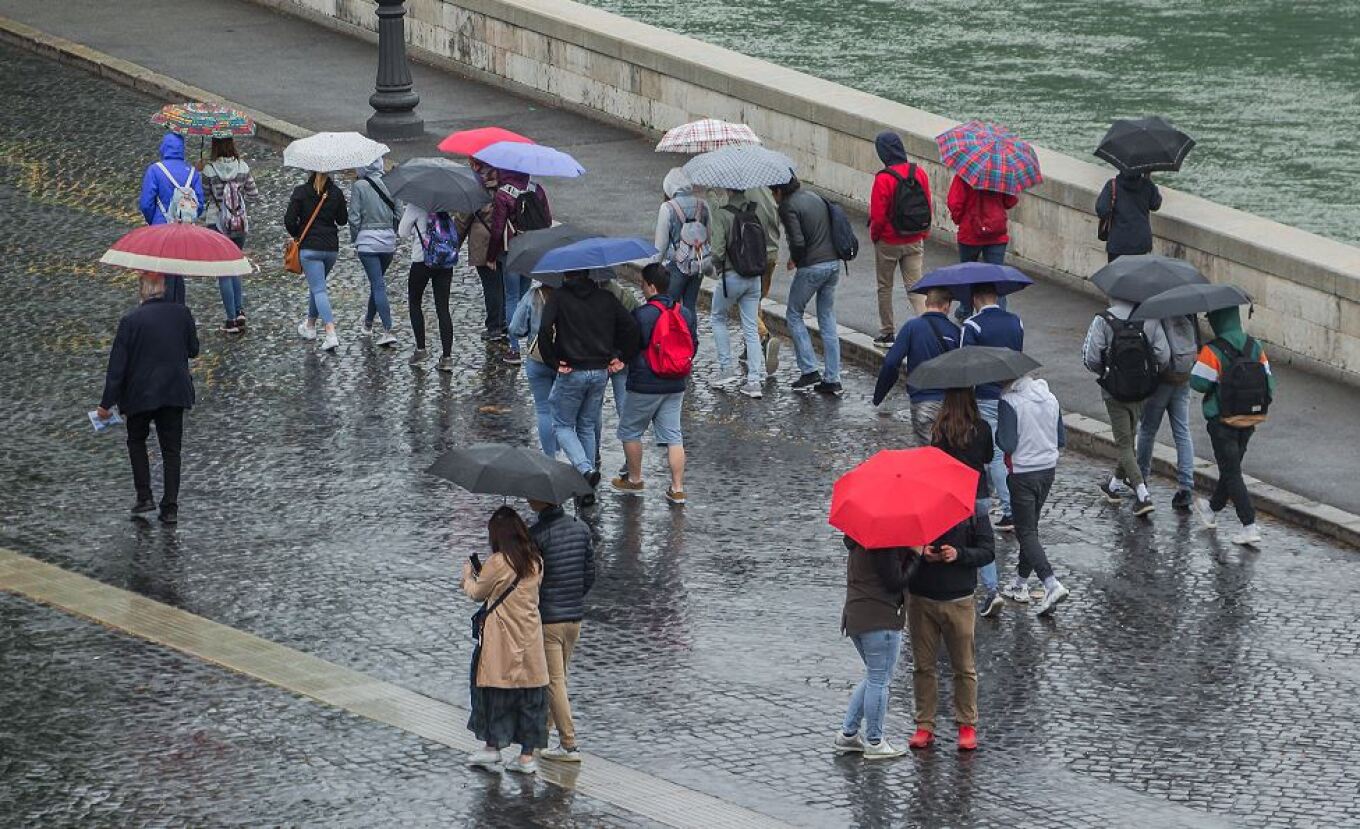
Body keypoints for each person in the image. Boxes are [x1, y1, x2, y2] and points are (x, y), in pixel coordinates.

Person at [96, 272, 199, 525]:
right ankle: (171, 507)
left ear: (142, 290)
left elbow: (117, 368)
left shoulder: (130, 320)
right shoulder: (181, 313)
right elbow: (194, 350)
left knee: (137, 441)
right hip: (174, 391)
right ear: (163, 288)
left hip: (139, 394)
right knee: (171, 450)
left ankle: (144, 496)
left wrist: (106, 404)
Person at [462, 506, 550, 775]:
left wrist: (467, 575)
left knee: (494, 690)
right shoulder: (536, 561)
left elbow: (478, 593)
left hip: (500, 639)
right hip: (530, 639)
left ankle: (492, 748)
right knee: (529, 694)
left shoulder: (498, 562)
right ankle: (526, 757)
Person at [537, 270, 640, 495]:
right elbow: (632, 326)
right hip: (599, 372)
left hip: (572, 370)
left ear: (565, 274)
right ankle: (587, 484)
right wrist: (621, 356)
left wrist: (554, 362)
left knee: (562, 424)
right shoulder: (606, 297)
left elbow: (544, 330)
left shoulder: (559, 297)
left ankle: (585, 469)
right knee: (586, 425)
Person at [906, 508, 994, 752]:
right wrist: (919, 552)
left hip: (960, 600)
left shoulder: (974, 511)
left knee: (964, 667)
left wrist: (959, 554)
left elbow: (987, 551)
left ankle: (967, 725)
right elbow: (899, 547)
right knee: (923, 666)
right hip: (921, 598)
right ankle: (924, 724)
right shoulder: (915, 510)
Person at [611, 264, 697, 504]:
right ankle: (677, 488)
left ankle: (635, 479)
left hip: (645, 384)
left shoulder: (642, 314)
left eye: (642, 283)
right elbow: (694, 346)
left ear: (650, 285)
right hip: (676, 383)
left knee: (630, 430)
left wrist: (620, 360)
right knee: (674, 436)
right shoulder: (685, 313)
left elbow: (631, 346)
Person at [1190, 306, 1275, 546]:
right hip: (1250, 418)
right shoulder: (1254, 346)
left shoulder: (1212, 350)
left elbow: (1198, 383)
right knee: (1232, 467)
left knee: (1232, 471)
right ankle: (1211, 509)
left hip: (1223, 420)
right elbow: (1270, 382)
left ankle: (1249, 525)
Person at [1081, 298, 1170, 516]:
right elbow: (1163, 355)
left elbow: (1091, 357)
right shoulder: (1150, 319)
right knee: (1129, 438)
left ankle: (1142, 493)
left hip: (1114, 391)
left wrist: (1107, 374)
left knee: (1124, 443)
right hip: (1141, 390)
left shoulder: (1103, 320)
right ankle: (1114, 486)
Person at [526, 498, 594, 762]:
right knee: (559, 678)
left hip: (549, 620)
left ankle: (569, 744)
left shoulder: (537, 535)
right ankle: (544, 732)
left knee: (554, 681)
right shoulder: (581, 529)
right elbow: (590, 574)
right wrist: (574, 597)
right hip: (574, 618)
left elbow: (531, 580)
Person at [995, 374, 1068, 615]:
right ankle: (1020, 584)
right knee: (1031, 528)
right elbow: (1061, 438)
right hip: (1047, 470)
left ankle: (1051, 583)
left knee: (1025, 531)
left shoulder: (1010, 402)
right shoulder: (1052, 398)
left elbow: (1006, 443)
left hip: (1022, 473)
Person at [836, 535, 912, 760]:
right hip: (880, 618)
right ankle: (874, 741)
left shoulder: (858, 535)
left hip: (856, 616)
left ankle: (848, 734)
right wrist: (915, 555)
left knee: (875, 677)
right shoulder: (884, 541)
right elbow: (895, 581)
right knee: (880, 681)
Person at [772, 175, 843, 396]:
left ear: (779, 190)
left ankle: (809, 369)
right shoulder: (814, 196)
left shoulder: (787, 206)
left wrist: (796, 258)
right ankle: (833, 378)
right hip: (833, 264)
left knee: (794, 313)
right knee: (827, 318)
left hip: (813, 267)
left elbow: (798, 241)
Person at [960, 283, 1023, 531]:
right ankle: (992, 502)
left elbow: (964, 365)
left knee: (994, 455)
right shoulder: (1016, 321)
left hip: (985, 395)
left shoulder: (972, 326)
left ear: (976, 298)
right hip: (1012, 393)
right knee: (1008, 452)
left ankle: (1009, 509)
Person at [928, 388, 996, 615]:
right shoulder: (983, 428)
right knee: (983, 540)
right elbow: (988, 457)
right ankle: (991, 589)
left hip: (950, 495)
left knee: (953, 541)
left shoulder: (940, 430)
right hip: (978, 491)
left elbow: (934, 462)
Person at [868, 130, 932, 348]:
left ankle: (887, 333)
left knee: (885, 286)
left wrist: (876, 237)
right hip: (915, 238)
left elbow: (877, 215)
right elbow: (928, 205)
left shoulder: (883, 178)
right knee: (916, 286)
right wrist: (924, 233)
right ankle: (928, 328)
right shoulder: (919, 172)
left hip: (888, 241)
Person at [873, 288, 959, 444]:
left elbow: (891, 362)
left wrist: (879, 395)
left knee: (926, 456)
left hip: (922, 402)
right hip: (950, 405)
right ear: (947, 306)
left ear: (926, 303)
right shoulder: (955, 332)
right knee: (948, 454)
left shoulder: (912, 327)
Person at [707, 188, 767, 399]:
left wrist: (716, 266)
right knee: (750, 327)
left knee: (718, 317)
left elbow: (718, 251)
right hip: (754, 277)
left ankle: (726, 369)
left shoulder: (723, 214)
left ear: (728, 189)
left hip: (731, 276)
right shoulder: (756, 211)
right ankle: (754, 381)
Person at [1136, 314, 1200, 511]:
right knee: (1182, 431)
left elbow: (1154, 350)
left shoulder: (1155, 313)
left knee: (1148, 429)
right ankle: (1186, 486)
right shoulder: (1187, 311)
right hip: (1183, 376)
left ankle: (1141, 480)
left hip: (1162, 380)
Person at [489, 167, 552, 364]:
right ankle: (532, 345)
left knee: (512, 297)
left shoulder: (503, 194)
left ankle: (513, 347)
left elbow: (498, 228)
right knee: (526, 296)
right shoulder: (537, 189)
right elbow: (547, 221)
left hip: (512, 250)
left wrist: (491, 256)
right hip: (532, 250)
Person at [138, 133, 205, 304]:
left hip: (160, 229)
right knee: (176, 270)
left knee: (160, 269)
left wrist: (153, 221)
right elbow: (200, 204)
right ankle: (178, 305)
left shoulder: (155, 170)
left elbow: (146, 203)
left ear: (164, 148)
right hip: (183, 229)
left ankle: (161, 305)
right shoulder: (192, 173)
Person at [200, 137, 259, 333]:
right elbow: (253, 194)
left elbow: (204, 196)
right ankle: (240, 310)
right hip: (239, 224)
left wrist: (200, 171)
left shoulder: (209, 170)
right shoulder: (243, 167)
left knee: (224, 271)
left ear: (214, 146)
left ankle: (231, 319)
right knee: (235, 266)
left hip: (217, 224)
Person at [285, 170, 348, 352]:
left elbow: (289, 220)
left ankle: (330, 333)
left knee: (319, 289)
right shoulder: (336, 193)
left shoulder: (301, 192)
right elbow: (342, 220)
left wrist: (298, 233)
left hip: (310, 249)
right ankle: (310, 326)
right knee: (317, 285)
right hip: (330, 249)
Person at [348, 159, 399, 347]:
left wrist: (356, 238)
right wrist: (390, 232)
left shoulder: (360, 186)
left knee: (378, 285)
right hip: (388, 243)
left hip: (368, 244)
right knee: (376, 283)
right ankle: (368, 324)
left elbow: (353, 218)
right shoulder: (391, 183)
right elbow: (398, 214)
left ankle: (388, 329)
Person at [398, 204, 456, 370]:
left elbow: (402, 232)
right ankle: (447, 357)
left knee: (415, 302)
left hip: (421, 260)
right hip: (444, 261)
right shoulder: (445, 205)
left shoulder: (415, 205)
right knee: (443, 308)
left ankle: (421, 349)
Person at [510, 279, 557, 455]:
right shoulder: (568, 297)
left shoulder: (532, 296)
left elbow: (515, 328)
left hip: (538, 358)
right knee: (562, 411)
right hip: (564, 360)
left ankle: (549, 456)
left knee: (544, 410)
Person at [654, 168, 710, 315]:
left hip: (676, 265)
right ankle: (691, 337)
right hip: (698, 262)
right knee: (690, 307)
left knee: (670, 308)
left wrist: (653, 271)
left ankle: (674, 337)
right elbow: (709, 236)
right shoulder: (702, 205)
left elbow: (660, 247)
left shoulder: (667, 208)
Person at [467, 160, 505, 342]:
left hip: (482, 243)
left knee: (491, 286)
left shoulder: (474, 187)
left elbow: (463, 218)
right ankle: (503, 322)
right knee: (501, 284)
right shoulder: (503, 184)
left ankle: (494, 327)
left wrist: (454, 244)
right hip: (503, 241)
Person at [947, 173, 1018, 266]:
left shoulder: (965, 174)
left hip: (970, 230)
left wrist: (960, 220)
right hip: (996, 231)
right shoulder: (1003, 174)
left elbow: (955, 203)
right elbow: (1010, 201)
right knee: (995, 274)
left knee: (968, 273)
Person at [1095, 171, 1162, 262]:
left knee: (1115, 274)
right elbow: (1155, 204)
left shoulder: (1112, 185)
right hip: (1141, 243)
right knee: (1138, 275)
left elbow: (1102, 210)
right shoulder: (1147, 185)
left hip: (1118, 243)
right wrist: (1149, 180)